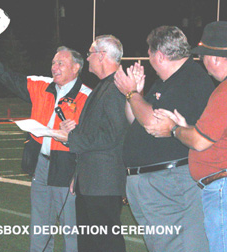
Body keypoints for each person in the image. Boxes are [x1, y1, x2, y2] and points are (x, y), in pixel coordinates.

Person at [0, 39, 91, 252]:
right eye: (53, 63)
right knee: (40, 225)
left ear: (76, 68)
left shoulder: (87, 97)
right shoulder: (41, 85)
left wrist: (76, 135)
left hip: (68, 167)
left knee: (71, 227)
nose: (54, 67)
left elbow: (94, 139)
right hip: (41, 163)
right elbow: (10, 79)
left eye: (60, 63)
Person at [113, 26, 214, 252]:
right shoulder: (166, 81)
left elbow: (152, 123)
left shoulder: (189, 78)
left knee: (174, 245)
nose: (148, 60)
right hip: (156, 183)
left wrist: (132, 94)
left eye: (149, 54)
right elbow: (136, 120)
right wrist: (135, 95)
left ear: (159, 55)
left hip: (168, 181)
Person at [145, 21, 227, 252]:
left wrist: (172, 129)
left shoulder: (223, 92)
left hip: (221, 187)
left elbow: (200, 141)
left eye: (203, 56)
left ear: (215, 58)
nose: (203, 63)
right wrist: (186, 128)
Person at [53, 35, 128, 252]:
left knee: (105, 243)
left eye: (89, 54)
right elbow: (100, 132)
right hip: (92, 181)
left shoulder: (115, 87)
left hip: (103, 183)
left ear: (102, 56)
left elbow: (111, 135)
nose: (87, 59)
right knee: (89, 244)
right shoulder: (104, 86)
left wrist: (72, 138)